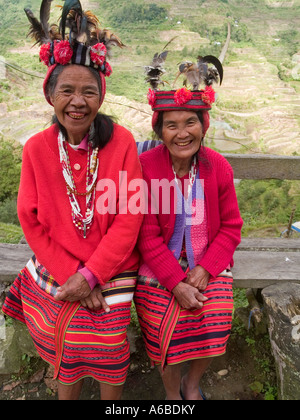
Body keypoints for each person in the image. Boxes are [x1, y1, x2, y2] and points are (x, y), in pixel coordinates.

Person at [2, 1, 143, 400]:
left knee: (108, 344)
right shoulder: (36, 148)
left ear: (102, 97)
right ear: (51, 95)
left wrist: (92, 275)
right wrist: (72, 274)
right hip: (59, 261)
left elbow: (129, 221)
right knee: (65, 338)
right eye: (67, 90)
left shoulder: (123, 144)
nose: (77, 101)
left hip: (112, 264)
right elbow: (30, 221)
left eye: (88, 92)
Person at [134, 54, 243, 400]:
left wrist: (207, 269)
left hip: (206, 261)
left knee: (216, 313)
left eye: (190, 123)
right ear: (159, 131)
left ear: (203, 125)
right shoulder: (146, 167)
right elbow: (146, 235)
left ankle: (191, 383)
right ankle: (170, 392)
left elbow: (230, 228)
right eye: (171, 125)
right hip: (159, 265)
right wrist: (176, 282)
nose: (182, 134)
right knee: (160, 318)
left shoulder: (218, 167)